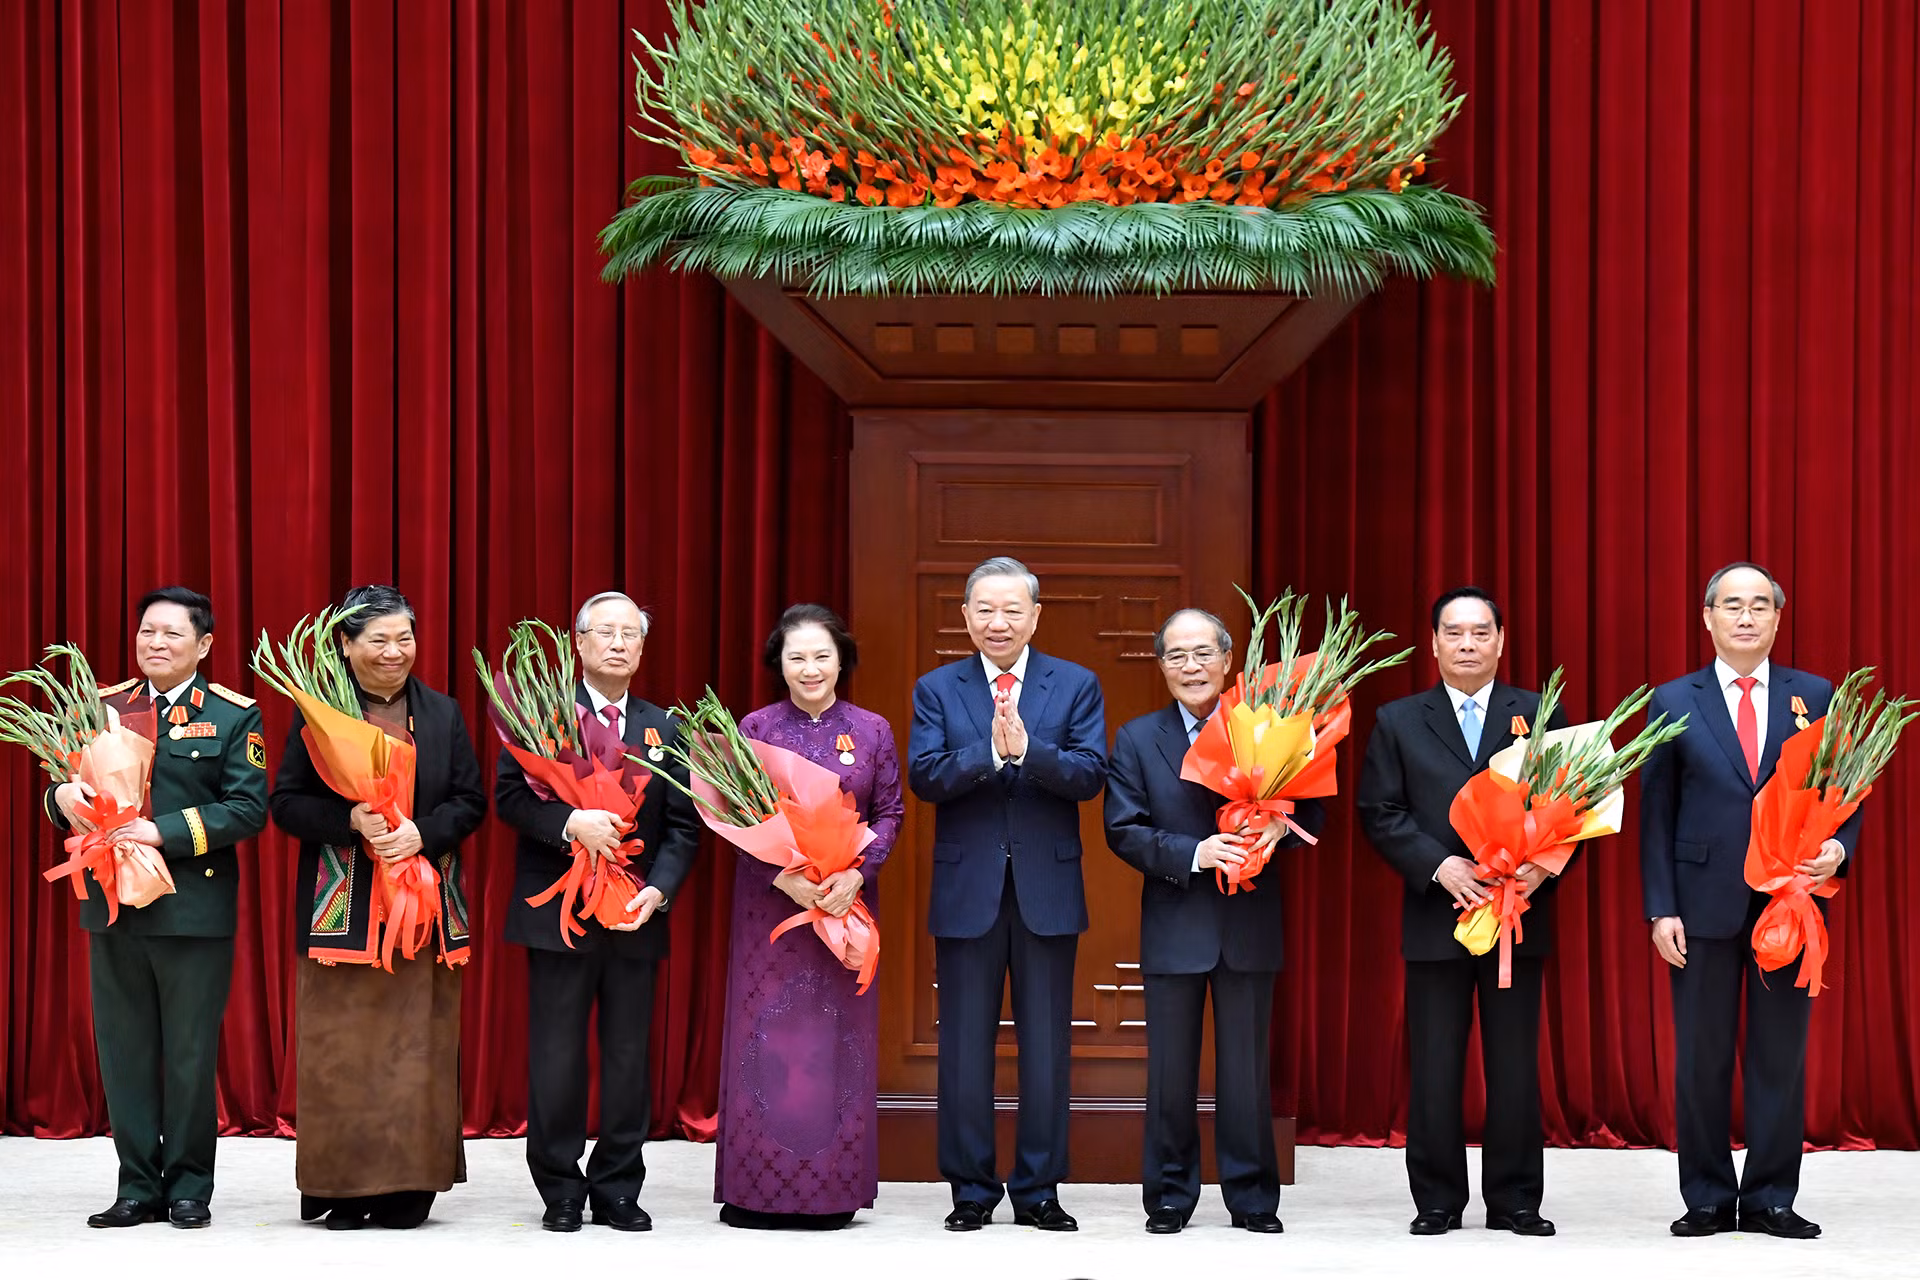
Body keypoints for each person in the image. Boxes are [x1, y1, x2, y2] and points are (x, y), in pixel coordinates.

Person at [1640, 562, 1863, 1240]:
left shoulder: (1814, 695)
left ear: (1777, 617)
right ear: (1707, 617)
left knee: (1779, 1057)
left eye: (1759, 605)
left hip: (1788, 902)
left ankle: (1770, 1196)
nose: (1745, 616)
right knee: (1701, 1058)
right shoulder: (1673, 698)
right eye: (1731, 605)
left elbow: (1843, 790)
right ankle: (1706, 1194)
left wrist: (1839, 850)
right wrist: (1660, 908)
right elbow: (1657, 814)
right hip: (1700, 905)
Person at [45, 586, 268, 1229]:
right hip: (114, 905)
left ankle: (191, 1186)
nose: (156, 644)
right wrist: (60, 797)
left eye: (172, 634)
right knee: (125, 1051)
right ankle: (137, 1186)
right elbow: (60, 789)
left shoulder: (232, 715)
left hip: (191, 909)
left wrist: (163, 832)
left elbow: (247, 808)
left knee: (190, 1054)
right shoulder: (101, 707)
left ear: (204, 645)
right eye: (147, 631)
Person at [268, 585, 486, 1230]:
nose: (395, 652)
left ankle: (409, 1189)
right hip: (347, 906)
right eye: (378, 640)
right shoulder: (319, 713)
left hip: (425, 907)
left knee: (418, 1046)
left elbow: (470, 802)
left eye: (405, 638)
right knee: (343, 1046)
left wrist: (424, 832)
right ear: (346, 643)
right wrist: (350, 818)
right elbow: (284, 803)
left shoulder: (443, 713)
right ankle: (346, 1187)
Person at [1356, 586, 1567, 1238]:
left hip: (1515, 916)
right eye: (1456, 633)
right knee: (1437, 1066)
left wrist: (1543, 863)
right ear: (1435, 643)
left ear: (1501, 641)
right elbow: (1380, 811)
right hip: (1436, 917)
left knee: (1512, 1068)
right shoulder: (1398, 720)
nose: (1469, 644)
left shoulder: (1538, 713)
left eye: (1481, 633)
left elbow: (1571, 807)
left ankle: (1515, 1201)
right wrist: (1435, 865)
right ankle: (1438, 1200)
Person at [1104, 608, 1322, 1235]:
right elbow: (1123, 829)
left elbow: (1314, 818)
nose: (1191, 666)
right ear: (1162, 667)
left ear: (1228, 661)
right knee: (1170, 1074)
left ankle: (1253, 1198)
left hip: (1249, 924)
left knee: (1246, 1074)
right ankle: (1170, 1197)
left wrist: (1282, 824)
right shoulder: (1138, 738)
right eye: (1176, 655)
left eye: (1203, 653)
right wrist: (1195, 854)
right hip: (1175, 923)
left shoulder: (1270, 727)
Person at [907, 555, 1107, 1233]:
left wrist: (1029, 752)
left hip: (1048, 888)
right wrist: (989, 756)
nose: (998, 622)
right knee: (964, 1045)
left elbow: (1088, 776)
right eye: (984, 610)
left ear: (1035, 617)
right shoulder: (936, 689)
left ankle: (1040, 1190)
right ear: (965, 617)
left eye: (1011, 610)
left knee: (1047, 1045)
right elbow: (926, 777)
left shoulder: (1076, 685)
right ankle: (969, 1189)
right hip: (968, 890)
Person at [497, 591, 700, 1232]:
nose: (617, 643)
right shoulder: (540, 715)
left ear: (642, 649)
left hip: (634, 915)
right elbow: (509, 800)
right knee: (557, 1056)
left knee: (626, 1056)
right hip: (560, 914)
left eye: (629, 635)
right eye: (604, 632)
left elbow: (684, 827)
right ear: (578, 644)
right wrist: (570, 823)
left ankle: (617, 1184)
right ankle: (559, 1186)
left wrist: (658, 890)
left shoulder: (665, 727)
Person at [715, 604, 904, 1230]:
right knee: (768, 1034)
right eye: (797, 657)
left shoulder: (872, 729)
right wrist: (785, 876)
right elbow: (740, 819)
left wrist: (856, 874)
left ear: (842, 659)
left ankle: (831, 1190)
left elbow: (890, 813)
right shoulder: (756, 727)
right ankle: (755, 1189)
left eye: (822, 655)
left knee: (832, 1039)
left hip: (844, 906)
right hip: (773, 907)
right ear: (780, 665)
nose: (811, 668)